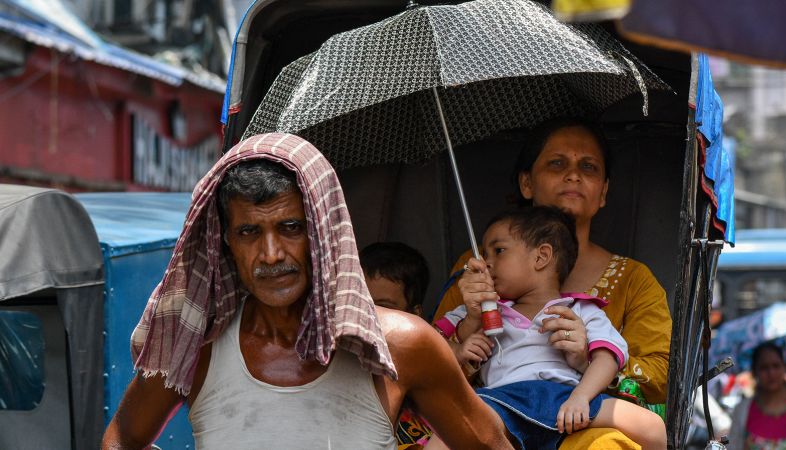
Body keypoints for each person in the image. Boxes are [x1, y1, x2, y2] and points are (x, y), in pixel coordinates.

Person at [101, 133, 512, 450]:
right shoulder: (200, 344)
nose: (271, 254)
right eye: (249, 232)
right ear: (225, 242)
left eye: (291, 228)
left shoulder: (403, 345)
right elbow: (122, 437)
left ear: (323, 233)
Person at [432, 118, 673, 448]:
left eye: (588, 167)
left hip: (582, 424)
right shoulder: (479, 266)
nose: (573, 175)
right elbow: (433, 357)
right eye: (557, 163)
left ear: (602, 191)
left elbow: (660, 376)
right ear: (527, 183)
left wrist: (588, 362)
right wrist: (468, 340)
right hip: (495, 421)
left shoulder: (634, 280)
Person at [428, 207, 666, 450]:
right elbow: (428, 343)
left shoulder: (579, 309)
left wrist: (582, 397)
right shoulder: (480, 311)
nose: (486, 263)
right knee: (443, 438)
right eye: (484, 254)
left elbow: (607, 357)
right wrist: (462, 340)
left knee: (653, 427)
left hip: (565, 402)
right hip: (501, 403)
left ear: (541, 257)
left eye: (498, 251)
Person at [360, 241, 434, 448]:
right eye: (361, 303)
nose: (370, 316)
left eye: (383, 307)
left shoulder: (430, 370)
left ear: (414, 314)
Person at [728, 342, 786, 449]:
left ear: (784, 367)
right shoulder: (742, 410)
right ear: (754, 372)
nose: (771, 373)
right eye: (764, 368)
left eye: (776, 366)